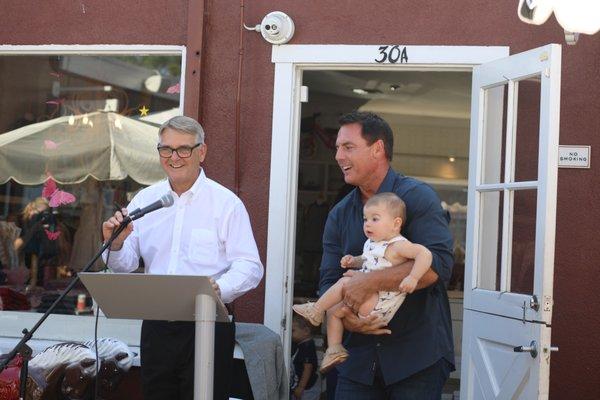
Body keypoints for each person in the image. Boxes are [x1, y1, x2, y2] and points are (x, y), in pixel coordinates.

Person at [101, 116, 264, 400]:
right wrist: (114, 243)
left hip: (208, 325)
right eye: (166, 149)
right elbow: (125, 264)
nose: (174, 157)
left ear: (201, 152)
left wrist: (219, 289)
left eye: (183, 149)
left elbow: (250, 266)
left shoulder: (226, 203)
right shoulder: (144, 200)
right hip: (157, 325)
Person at [320, 111, 455, 399]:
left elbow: (439, 266)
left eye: (348, 147)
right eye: (337, 148)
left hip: (416, 360)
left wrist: (368, 282)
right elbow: (328, 280)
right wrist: (346, 320)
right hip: (356, 363)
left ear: (378, 149)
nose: (338, 156)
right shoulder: (339, 214)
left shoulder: (417, 197)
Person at [293, 192, 432, 373]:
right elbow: (367, 260)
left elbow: (424, 254)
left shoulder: (397, 245)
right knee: (334, 310)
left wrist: (413, 277)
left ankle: (316, 310)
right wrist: (354, 261)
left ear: (396, 223)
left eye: (375, 219)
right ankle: (334, 349)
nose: (367, 223)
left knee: (346, 281)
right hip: (369, 299)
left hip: (380, 304)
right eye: (365, 219)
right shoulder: (373, 243)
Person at [290, 315, 321, 400]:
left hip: (307, 388)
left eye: (293, 331)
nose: (289, 334)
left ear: (306, 331)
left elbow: (308, 368)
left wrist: (300, 388)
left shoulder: (307, 346)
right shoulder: (299, 344)